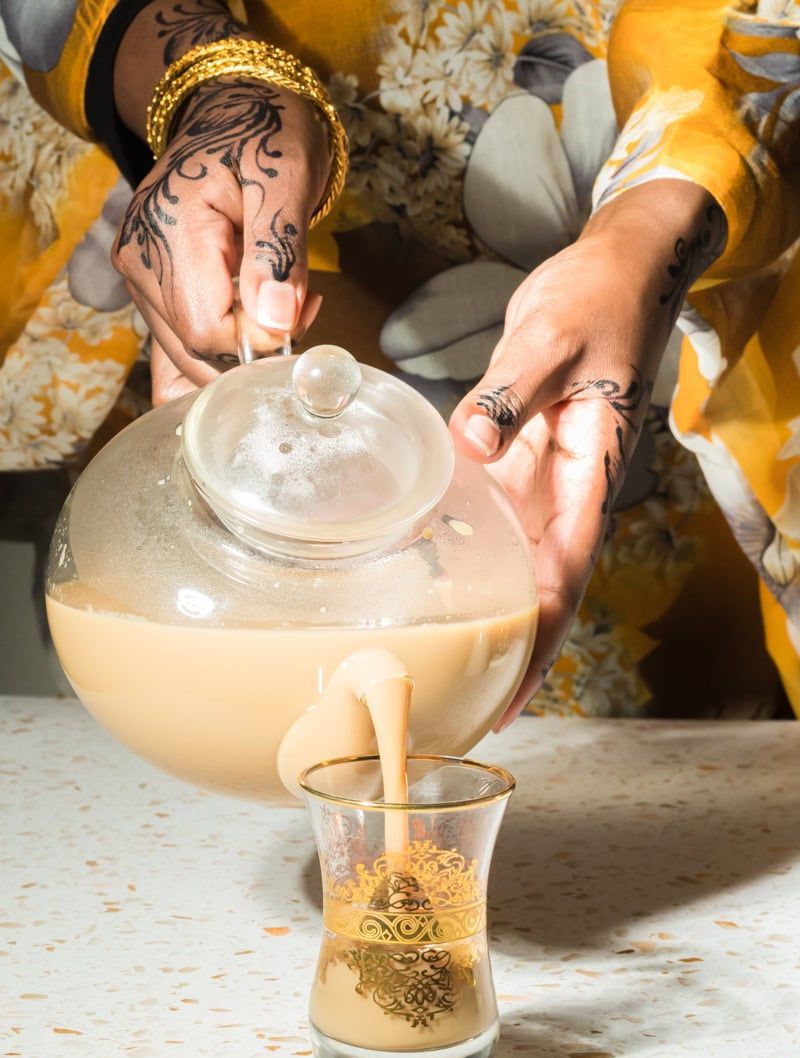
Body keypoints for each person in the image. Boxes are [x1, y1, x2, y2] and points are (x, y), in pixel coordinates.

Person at [0, 0, 798, 719]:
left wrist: (652, 228)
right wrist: (223, 93)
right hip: (242, 287)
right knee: (227, 726)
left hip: (665, 345)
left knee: (676, 744)